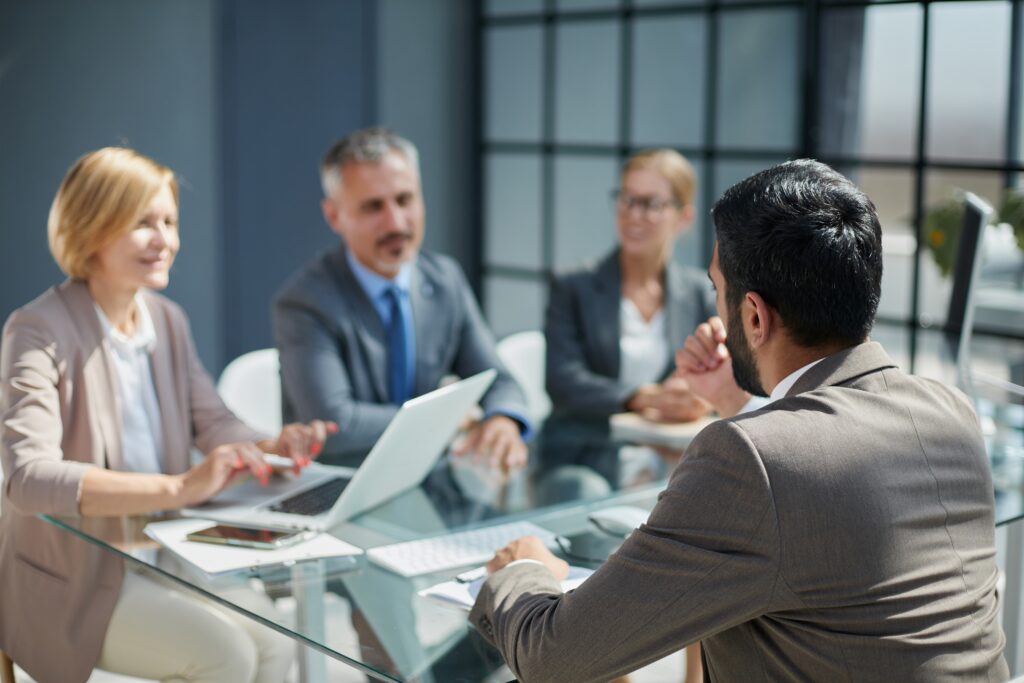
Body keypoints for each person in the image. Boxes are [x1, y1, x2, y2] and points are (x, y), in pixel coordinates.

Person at [470, 160, 1008, 681]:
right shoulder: (951, 413)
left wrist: (525, 570)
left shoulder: (749, 460)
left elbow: (553, 657)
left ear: (752, 315)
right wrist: (738, 397)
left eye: (716, 289)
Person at [0, 147, 336, 683]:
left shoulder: (166, 321)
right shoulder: (36, 330)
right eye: (142, 223)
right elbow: (26, 478)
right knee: (227, 656)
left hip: (165, 551)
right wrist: (177, 488)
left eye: (170, 221)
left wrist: (271, 445)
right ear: (91, 227)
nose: (166, 240)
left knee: (276, 644)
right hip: (75, 578)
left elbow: (214, 421)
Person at [274, 127, 531, 469]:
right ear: (334, 216)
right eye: (373, 207)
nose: (395, 222)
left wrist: (503, 419)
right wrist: (450, 417)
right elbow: (336, 428)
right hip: (338, 488)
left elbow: (499, 381)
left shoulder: (444, 280)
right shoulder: (305, 302)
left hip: (430, 481)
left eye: (405, 200)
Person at [545, 149, 714, 424]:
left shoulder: (700, 293)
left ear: (684, 218)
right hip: (587, 448)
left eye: (651, 204)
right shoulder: (573, 285)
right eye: (627, 199)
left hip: (672, 449)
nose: (634, 215)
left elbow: (728, 374)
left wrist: (700, 397)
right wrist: (641, 397)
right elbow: (562, 382)